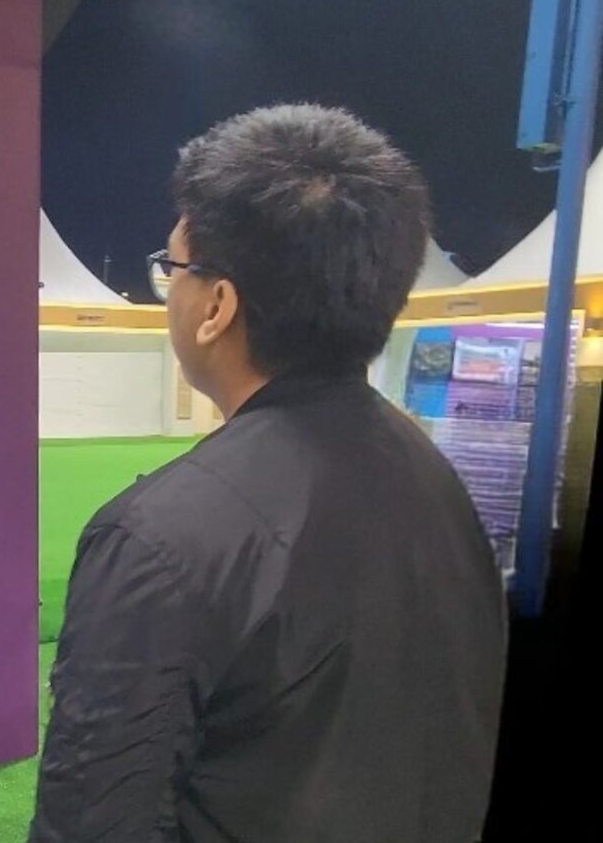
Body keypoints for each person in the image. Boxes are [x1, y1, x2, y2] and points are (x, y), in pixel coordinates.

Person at [29, 105, 507, 842]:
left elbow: (96, 818)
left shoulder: (159, 539)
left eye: (172, 269)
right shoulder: (435, 479)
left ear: (217, 306)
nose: (171, 294)